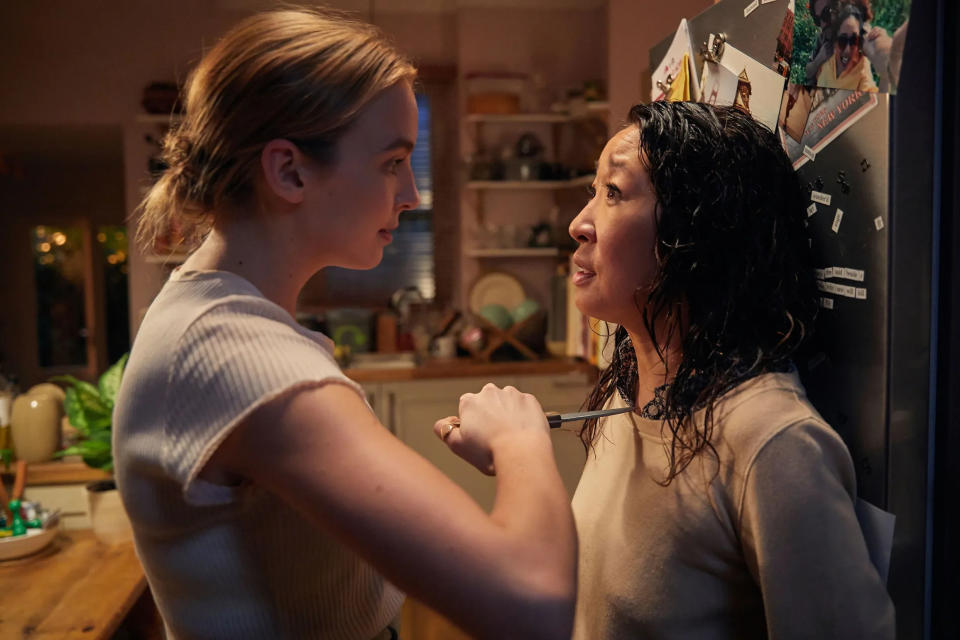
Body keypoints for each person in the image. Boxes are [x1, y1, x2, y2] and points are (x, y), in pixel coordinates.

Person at [113, 8, 576, 640]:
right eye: (390, 162)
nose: (410, 195)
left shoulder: (214, 319)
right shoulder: (234, 353)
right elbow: (533, 602)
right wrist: (520, 440)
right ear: (289, 171)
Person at [443, 101, 896, 638]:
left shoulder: (774, 442)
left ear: (697, 234)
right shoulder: (633, 392)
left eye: (613, 192)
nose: (578, 224)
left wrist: (519, 450)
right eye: (594, 191)